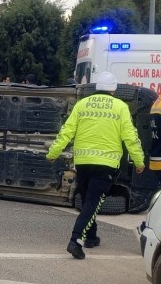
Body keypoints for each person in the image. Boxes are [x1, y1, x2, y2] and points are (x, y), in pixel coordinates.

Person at [46, 71, 145, 260]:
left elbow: (67, 131)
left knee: (87, 199)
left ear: (97, 87)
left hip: (83, 162)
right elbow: (130, 137)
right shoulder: (120, 107)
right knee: (92, 202)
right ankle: (76, 241)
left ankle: (91, 237)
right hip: (106, 164)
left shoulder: (82, 104)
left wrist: (53, 153)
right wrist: (139, 161)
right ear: (114, 91)